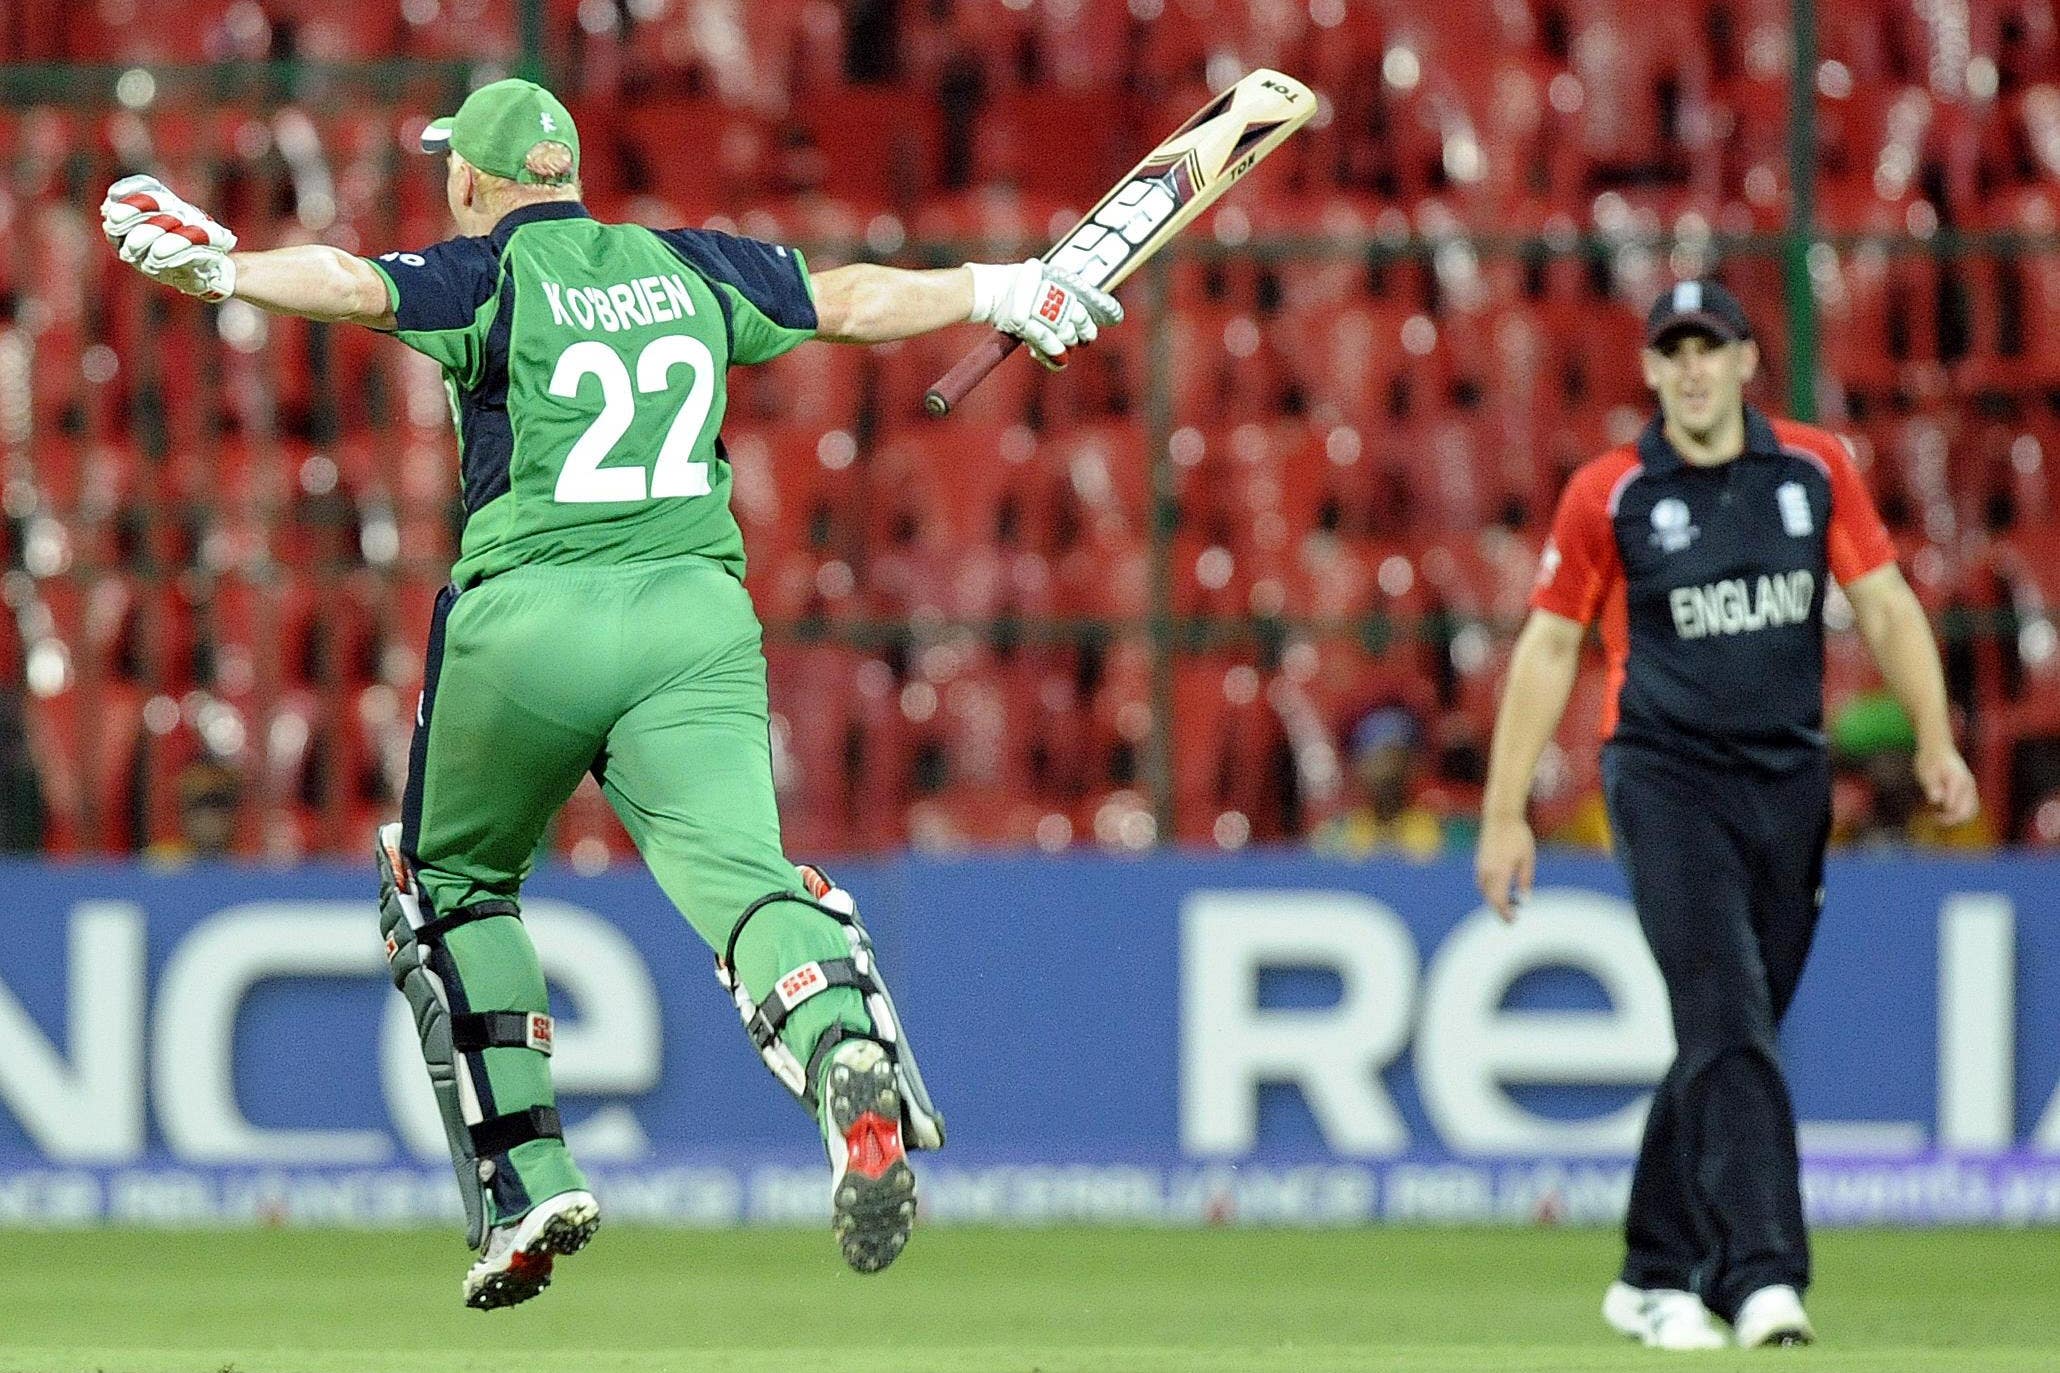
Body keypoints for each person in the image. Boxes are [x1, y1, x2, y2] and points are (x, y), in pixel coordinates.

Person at [100, 77, 1121, 1308]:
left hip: (526, 625)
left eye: (448, 170)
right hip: (690, 622)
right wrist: (1005, 288)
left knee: (448, 887)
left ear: (473, 181)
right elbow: (851, 298)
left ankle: (528, 1183)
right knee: (748, 886)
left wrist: (228, 268)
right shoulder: (687, 265)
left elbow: (355, 282)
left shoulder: (486, 273)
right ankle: (842, 1044)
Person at [1474, 280, 1977, 1350]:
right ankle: (1758, 1276)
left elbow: (1883, 601)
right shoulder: (1606, 492)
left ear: (1749, 361)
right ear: (1650, 372)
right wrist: (1502, 808)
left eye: (1712, 347)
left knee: (1726, 1027)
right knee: (1726, 1014)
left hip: (1785, 784)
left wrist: (1933, 738)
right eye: (1673, 351)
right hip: (1660, 780)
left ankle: (1649, 1268)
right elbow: (1549, 645)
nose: (1693, 369)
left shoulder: (1812, 467)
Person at [1309, 705, 1447, 859]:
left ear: (1414, 766)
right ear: (1358, 767)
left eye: (1395, 759)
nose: (1388, 771)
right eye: (1377, 761)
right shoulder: (1334, 838)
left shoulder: (1443, 831)